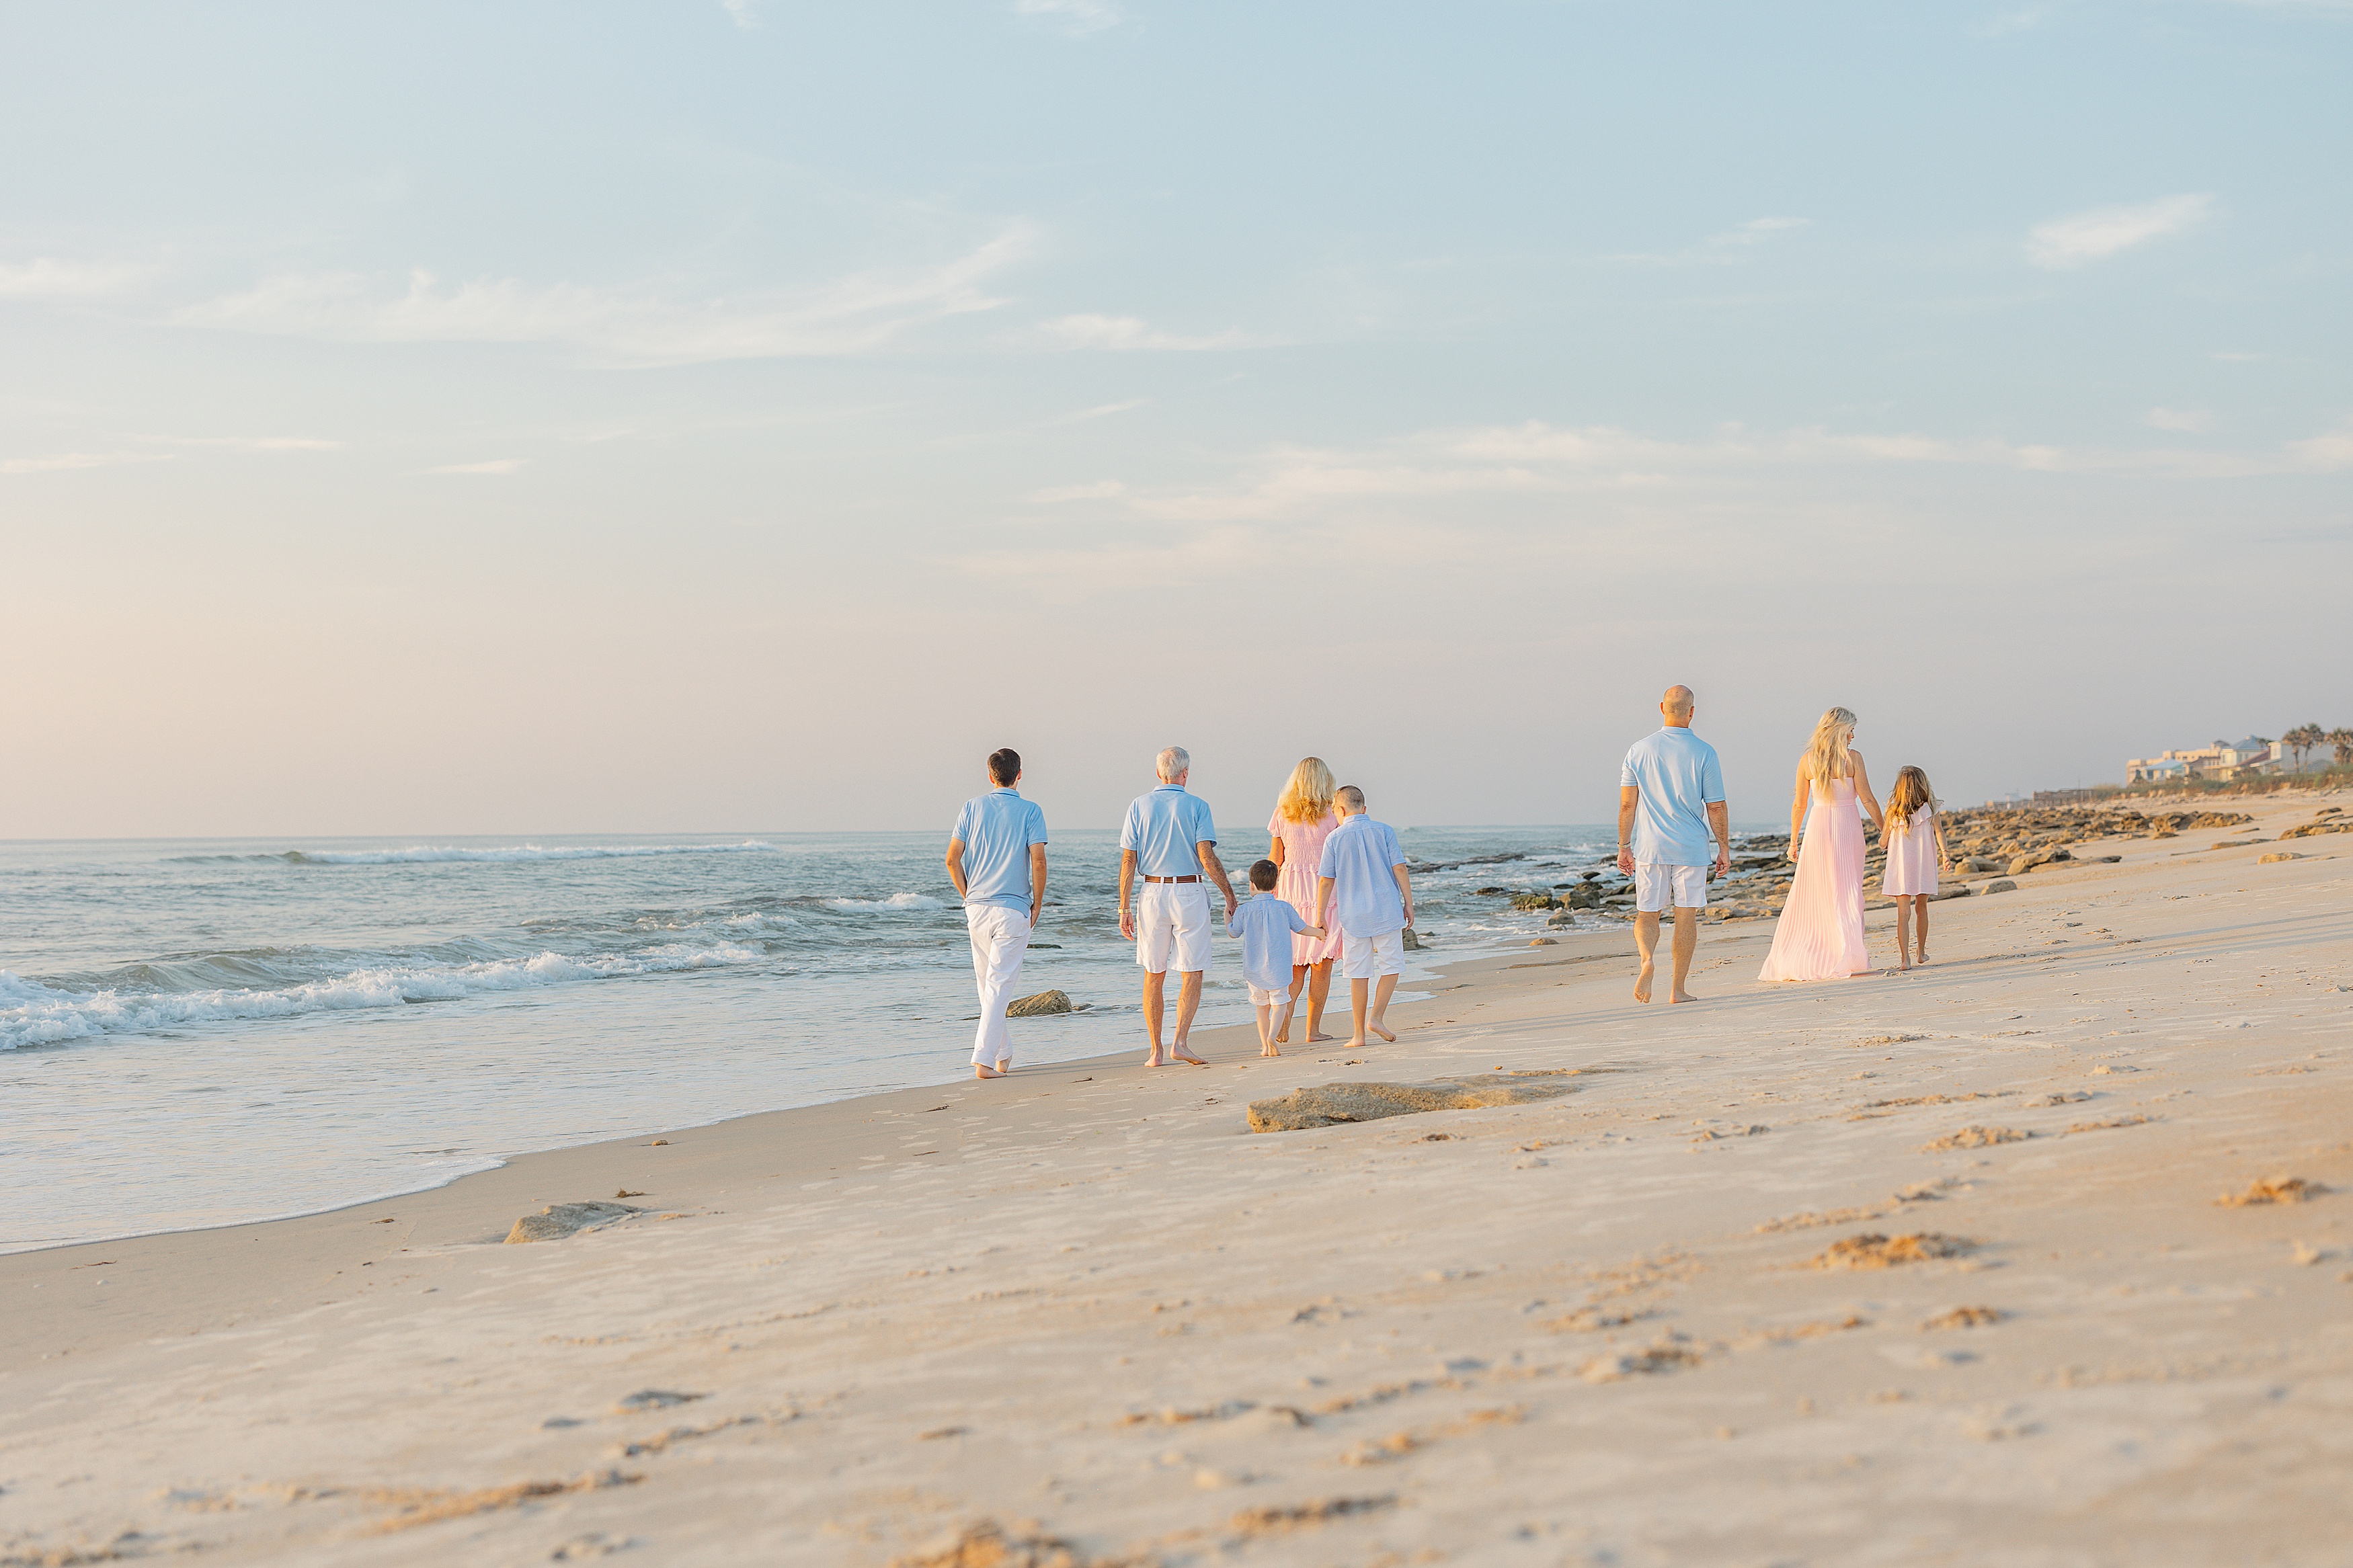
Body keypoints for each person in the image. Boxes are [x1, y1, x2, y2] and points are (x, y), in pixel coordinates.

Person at [1118, 746, 1238, 1067]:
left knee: (1153, 972)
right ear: (1185, 773)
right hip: (1188, 891)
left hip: (1152, 892)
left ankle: (1155, 1051)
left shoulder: (1139, 805)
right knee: (1192, 970)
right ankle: (1180, 1042)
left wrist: (1123, 907)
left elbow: (1129, 859)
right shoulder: (1198, 806)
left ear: (1159, 773)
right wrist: (1229, 894)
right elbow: (1207, 858)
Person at [1617, 685, 1731, 1004]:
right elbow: (1716, 806)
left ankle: (1647, 960)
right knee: (1686, 917)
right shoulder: (1704, 752)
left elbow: (1628, 806)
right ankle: (1677, 990)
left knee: (1647, 913)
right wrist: (1723, 848)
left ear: (1662, 708)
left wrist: (1624, 846)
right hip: (1691, 848)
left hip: (1650, 847)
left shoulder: (1638, 750)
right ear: (1692, 712)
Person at [1759, 707, 1885, 983]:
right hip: (1847, 827)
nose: (1853, 736)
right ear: (1840, 730)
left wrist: (1794, 841)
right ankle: (1846, 953)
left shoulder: (1808, 760)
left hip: (1818, 828)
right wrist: (1885, 829)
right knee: (1848, 889)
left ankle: (1821, 951)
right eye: (1851, 730)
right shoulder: (1853, 759)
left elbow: (1800, 805)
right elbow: (1868, 799)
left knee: (1817, 891)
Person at [945, 747, 1048, 1079]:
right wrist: (1039, 904)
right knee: (998, 986)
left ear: (991, 776)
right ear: (1019, 775)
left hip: (977, 909)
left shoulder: (971, 808)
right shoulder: (1031, 811)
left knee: (987, 985)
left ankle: (1002, 1054)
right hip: (1013, 909)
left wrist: (968, 896)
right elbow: (1038, 861)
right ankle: (983, 1060)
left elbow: (952, 860)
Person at [1314, 784, 1413, 1048]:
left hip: (1353, 916)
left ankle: (1359, 1035)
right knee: (1391, 967)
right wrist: (1409, 904)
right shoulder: (1384, 830)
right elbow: (1400, 869)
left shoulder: (1334, 838)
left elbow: (1326, 881)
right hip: (1387, 910)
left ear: (1341, 809)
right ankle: (1377, 1017)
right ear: (1364, 809)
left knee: (1358, 973)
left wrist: (1320, 914)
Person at [1266, 756, 1346, 1044]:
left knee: (1295, 966)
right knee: (1322, 965)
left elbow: (1276, 859)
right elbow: (1340, 858)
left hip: (1291, 891)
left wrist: (1271, 895)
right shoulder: (1333, 815)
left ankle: (1284, 1024)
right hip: (1325, 893)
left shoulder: (1282, 813)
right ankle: (1312, 1031)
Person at [1228, 858, 1324, 1057]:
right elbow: (1301, 928)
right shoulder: (1284, 907)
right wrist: (1319, 933)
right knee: (1279, 1004)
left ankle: (1265, 1046)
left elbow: (1233, 933)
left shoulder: (1244, 910)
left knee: (1262, 1008)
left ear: (1252, 885)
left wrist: (1226, 917)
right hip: (1279, 969)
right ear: (1276, 884)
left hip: (1254, 971)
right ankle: (1273, 1035)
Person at [1880, 764, 1951, 971]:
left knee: (1903, 914)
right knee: (1922, 908)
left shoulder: (1893, 811)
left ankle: (1905, 960)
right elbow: (1940, 832)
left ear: (1899, 787)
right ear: (1923, 784)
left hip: (1901, 868)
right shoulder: (1931, 808)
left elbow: (1883, 842)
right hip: (1923, 865)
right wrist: (1945, 854)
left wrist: (1885, 838)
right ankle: (1920, 953)